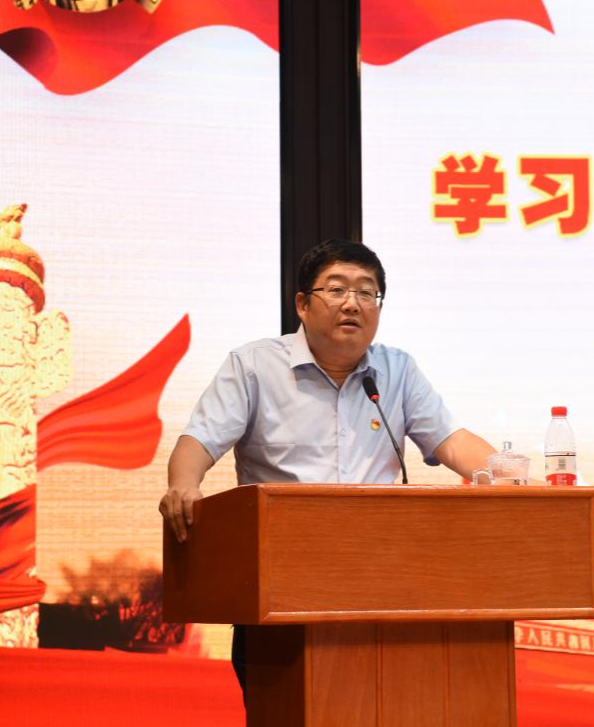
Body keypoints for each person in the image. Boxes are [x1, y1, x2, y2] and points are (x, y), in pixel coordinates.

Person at [156, 237, 497, 697]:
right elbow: (200, 438)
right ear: (303, 303)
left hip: (380, 581)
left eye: (367, 292)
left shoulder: (397, 370)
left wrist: (512, 476)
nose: (352, 303)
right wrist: (183, 484)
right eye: (336, 289)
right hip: (279, 585)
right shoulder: (253, 365)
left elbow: (451, 441)